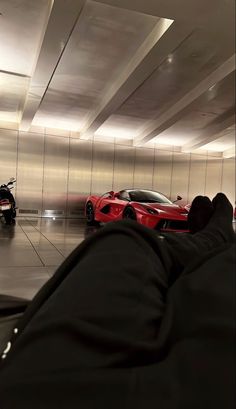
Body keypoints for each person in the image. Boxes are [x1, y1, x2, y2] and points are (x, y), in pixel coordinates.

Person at [0, 193, 235, 409]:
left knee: (124, 238)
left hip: (50, 382)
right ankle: (214, 241)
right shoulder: (124, 200)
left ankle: (211, 240)